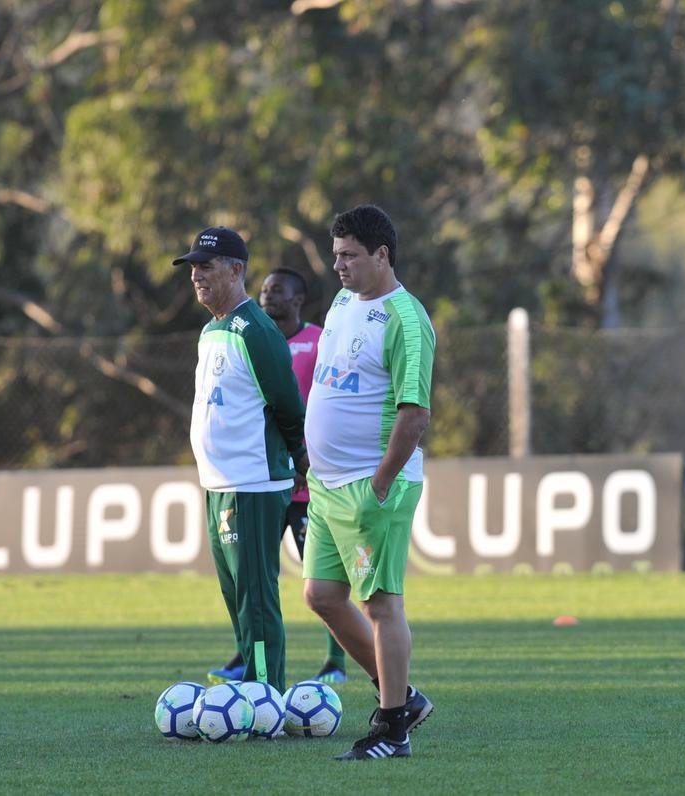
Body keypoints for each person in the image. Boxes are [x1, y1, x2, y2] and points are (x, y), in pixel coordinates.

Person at [302, 204, 436, 761]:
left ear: (382, 255)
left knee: (381, 604)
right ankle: (400, 697)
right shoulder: (341, 301)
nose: (339, 266)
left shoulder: (406, 318)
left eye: (350, 255)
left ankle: (392, 730)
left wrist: (381, 482)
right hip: (326, 485)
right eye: (335, 255)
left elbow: (414, 412)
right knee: (323, 596)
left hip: (370, 486)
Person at [174, 226, 308, 693]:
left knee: (255, 596)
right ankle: (252, 684)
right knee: (236, 595)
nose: (196, 275)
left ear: (235, 270)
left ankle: (265, 692)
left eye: (205, 266)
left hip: (252, 482)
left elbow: (288, 403)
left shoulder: (256, 329)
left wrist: (298, 461)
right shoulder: (213, 329)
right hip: (219, 484)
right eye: (192, 267)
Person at [208, 267, 350, 686]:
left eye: (277, 291)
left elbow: (326, 401)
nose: (267, 297)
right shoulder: (250, 336)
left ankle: (335, 662)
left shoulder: (317, 341)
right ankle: (244, 657)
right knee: (254, 578)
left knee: (322, 577)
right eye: (264, 289)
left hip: (305, 481)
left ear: (298, 299)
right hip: (266, 476)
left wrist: (313, 456)